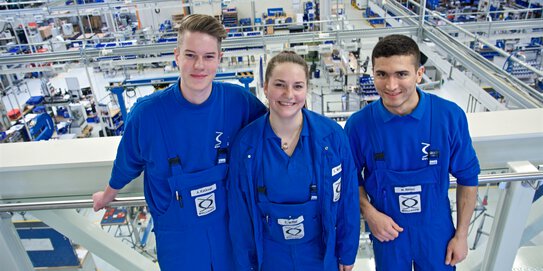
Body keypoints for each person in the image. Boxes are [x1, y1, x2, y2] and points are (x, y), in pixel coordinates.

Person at [92, 14, 267, 271]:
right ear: (176, 56)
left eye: (208, 56)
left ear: (219, 59)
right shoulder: (147, 113)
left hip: (230, 230)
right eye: (190, 55)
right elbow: (128, 161)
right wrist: (108, 195)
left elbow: (272, 131)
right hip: (178, 240)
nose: (199, 65)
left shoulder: (239, 102)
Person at [344, 34, 480, 270]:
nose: (391, 85)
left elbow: (468, 177)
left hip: (437, 233)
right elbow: (349, 180)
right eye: (382, 74)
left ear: (419, 73)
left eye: (401, 74)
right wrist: (369, 214)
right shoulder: (359, 125)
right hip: (387, 233)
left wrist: (462, 235)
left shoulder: (448, 117)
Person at [227, 51, 360, 271]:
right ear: (265, 88)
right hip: (270, 258)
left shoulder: (332, 137)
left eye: (298, 86)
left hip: (321, 255)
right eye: (280, 85)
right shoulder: (246, 145)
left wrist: (347, 251)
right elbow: (240, 216)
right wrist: (244, 265)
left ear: (307, 89)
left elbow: (348, 199)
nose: (289, 94)